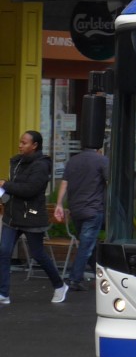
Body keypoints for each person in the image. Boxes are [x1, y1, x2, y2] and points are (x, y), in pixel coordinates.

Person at [0, 130, 68, 305]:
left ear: (34, 145)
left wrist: (6, 185)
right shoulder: (16, 161)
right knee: (4, 252)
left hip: (31, 216)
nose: (20, 145)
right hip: (12, 215)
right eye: (20, 142)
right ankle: (3, 293)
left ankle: (60, 285)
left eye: (24, 143)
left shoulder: (41, 165)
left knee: (38, 254)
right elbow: (14, 187)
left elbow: (30, 190)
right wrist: (5, 193)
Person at [54, 143, 109, 291]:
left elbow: (64, 184)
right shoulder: (102, 160)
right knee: (86, 246)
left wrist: (59, 204)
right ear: (98, 149)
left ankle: (103, 273)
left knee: (88, 243)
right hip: (93, 209)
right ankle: (74, 279)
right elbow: (110, 182)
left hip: (76, 210)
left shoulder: (72, 161)